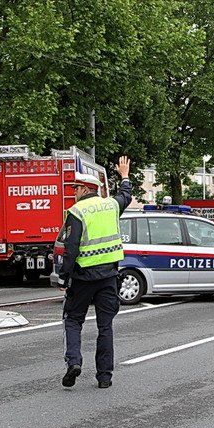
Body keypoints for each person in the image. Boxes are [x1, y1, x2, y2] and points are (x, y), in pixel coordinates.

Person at [58, 156, 132, 389]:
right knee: (105, 327)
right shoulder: (111, 205)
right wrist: (124, 176)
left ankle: (74, 362)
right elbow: (126, 195)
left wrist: (63, 277)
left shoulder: (76, 211)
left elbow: (71, 248)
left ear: (85, 189)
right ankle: (104, 377)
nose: (74, 192)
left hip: (82, 278)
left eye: (76, 188)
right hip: (108, 277)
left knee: (73, 320)